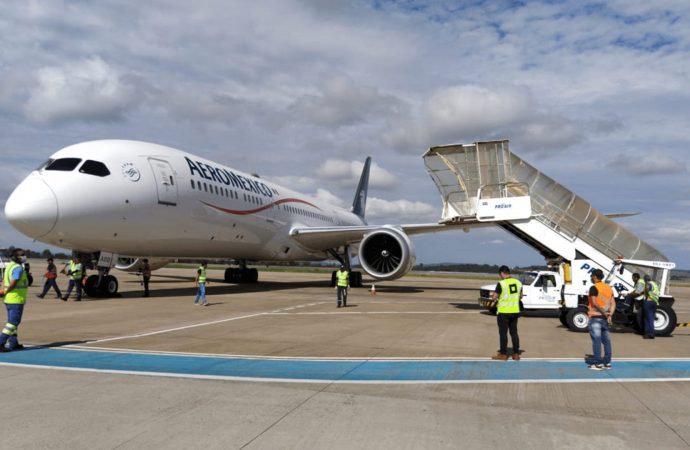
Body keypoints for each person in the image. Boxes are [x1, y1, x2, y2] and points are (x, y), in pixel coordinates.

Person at [490, 265, 522, 361]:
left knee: (503, 334)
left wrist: (493, 296)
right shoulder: (518, 283)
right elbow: (520, 296)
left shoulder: (501, 283)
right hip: (515, 311)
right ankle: (516, 354)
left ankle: (503, 354)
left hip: (504, 312)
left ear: (502, 273)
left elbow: (494, 297)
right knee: (514, 333)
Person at [0, 248, 29, 352]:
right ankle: (1, 341)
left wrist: (2, 291)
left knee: (11, 322)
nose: (24, 257)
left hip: (8, 299)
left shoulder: (9, 266)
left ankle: (13, 343)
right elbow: (14, 282)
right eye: (22, 255)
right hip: (15, 299)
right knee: (13, 322)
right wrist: (7, 290)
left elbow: (3, 281)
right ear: (15, 257)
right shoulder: (18, 268)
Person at [587, 269, 615, 370]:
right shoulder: (608, 288)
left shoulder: (593, 287)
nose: (591, 278)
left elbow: (594, 302)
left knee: (597, 341)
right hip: (605, 318)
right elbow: (613, 303)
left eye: (591, 276)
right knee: (607, 341)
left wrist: (603, 312)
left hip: (595, 317)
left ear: (595, 276)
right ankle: (607, 363)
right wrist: (610, 315)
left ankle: (597, 363)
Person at [642, 275, 660, 339]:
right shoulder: (655, 284)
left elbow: (647, 288)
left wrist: (646, 294)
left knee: (647, 318)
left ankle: (648, 333)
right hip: (654, 302)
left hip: (649, 301)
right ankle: (652, 333)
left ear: (645, 280)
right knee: (651, 318)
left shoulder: (648, 284)